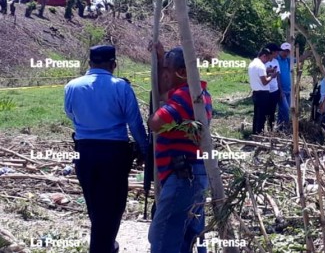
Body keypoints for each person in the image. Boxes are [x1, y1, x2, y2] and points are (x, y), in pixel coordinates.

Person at [64, 45, 148, 253]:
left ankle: (106, 245)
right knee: (113, 206)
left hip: (84, 152)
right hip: (114, 154)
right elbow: (135, 124)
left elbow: (70, 114)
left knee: (94, 204)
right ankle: (103, 247)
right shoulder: (121, 87)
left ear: (90, 63)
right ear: (113, 64)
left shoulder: (72, 86)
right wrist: (145, 151)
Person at [147, 44, 213, 253]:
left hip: (183, 176)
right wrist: (159, 60)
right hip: (192, 173)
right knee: (188, 235)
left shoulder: (186, 96)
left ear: (182, 72)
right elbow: (163, 92)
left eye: (167, 69)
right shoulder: (197, 93)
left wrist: (153, 115)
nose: (164, 74)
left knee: (163, 236)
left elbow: (156, 123)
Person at [248, 47, 277, 134]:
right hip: (263, 94)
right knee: (262, 116)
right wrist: (272, 76)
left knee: (257, 115)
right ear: (264, 56)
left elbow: (259, 76)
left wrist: (268, 71)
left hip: (256, 92)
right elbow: (264, 82)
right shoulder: (261, 66)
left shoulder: (252, 64)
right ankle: (259, 133)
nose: (267, 61)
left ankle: (255, 133)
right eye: (267, 59)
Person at [264, 43, 282, 131]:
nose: (278, 54)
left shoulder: (276, 61)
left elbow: (278, 75)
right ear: (272, 52)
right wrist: (270, 73)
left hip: (274, 89)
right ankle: (262, 130)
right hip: (266, 89)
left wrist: (280, 89)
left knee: (272, 111)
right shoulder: (264, 61)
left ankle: (270, 129)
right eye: (277, 52)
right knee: (265, 111)